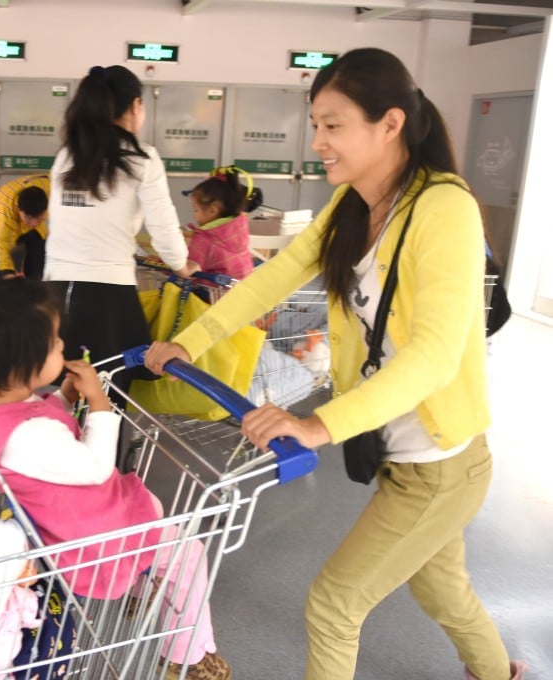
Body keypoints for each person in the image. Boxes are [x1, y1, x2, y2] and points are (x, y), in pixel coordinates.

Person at [145, 48, 526, 680]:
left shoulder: (444, 208)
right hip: (398, 453)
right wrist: (194, 340)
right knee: (443, 590)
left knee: (333, 606)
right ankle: (498, 672)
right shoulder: (353, 205)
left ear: (390, 123)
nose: (318, 141)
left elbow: (434, 354)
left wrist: (318, 426)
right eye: (315, 124)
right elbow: (272, 281)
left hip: (440, 463)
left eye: (332, 124)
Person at [0, 277, 230, 680]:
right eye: (55, 341)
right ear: (21, 363)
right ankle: (187, 655)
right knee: (189, 554)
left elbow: (42, 435)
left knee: (156, 513)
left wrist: (63, 399)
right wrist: (99, 403)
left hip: (61, 521)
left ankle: (142, 586)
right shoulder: (27, 435)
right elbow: (96, 466)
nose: (63, 345)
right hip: (88, 542)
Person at [44, 64, 197, 402]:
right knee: (106, 395)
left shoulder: (67, 156)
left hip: (55, 289)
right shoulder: (142, 159)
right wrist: (181, 264)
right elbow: (163, 227)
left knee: (67, 391)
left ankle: (64, 448)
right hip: (107, 296)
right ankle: (98, 453)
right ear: (134, 106)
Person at [183, 166, 263, 281]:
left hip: (212, 296)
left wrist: (167, 264)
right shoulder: (240, 226)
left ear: (212, 211)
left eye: (196, 210)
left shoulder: (204, 239)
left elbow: (188, 270)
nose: (194, 214)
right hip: (242, 291)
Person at [0, 173, 49, 279]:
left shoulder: (51, 189)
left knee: (39, 258)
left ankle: (33, 289)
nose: (35, 223)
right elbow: (4, 245)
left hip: (24, 225)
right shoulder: (5, 213)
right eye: (29, 218)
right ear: (19, 210)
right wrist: (8, 273)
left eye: (40, 218)